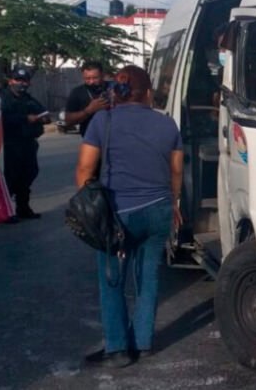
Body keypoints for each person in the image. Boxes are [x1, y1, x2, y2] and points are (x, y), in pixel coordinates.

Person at [75, 65, 183, 368]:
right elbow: (176, 171)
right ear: (148, 93)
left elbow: (84, 169)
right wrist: (174, 203)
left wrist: (90, 209)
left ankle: (118, 349)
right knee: (148, 277)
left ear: (117, 93)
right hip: (159, 210)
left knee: (113, 280)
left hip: (117, 212)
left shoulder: (103, 120)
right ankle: (143, 342)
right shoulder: (168, 124)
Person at [0, 66, 51, 221]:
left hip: (28, 142)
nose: (21, 83)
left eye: (24, 81)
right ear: (11, 81)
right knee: (10, 177)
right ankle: (6, 212)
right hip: (10, 143)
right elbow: (2, 119)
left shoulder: (28, 98)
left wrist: (43, 118)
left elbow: (43, 112)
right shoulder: (2, 98)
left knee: (29, 173)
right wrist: (25, 119)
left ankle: (23, 208)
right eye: (18, 80)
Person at [65, 61, 110, 138]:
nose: (91, 82)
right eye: (87, 78)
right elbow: (68, 121)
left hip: (115, 136)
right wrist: (89, 110)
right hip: (91, 138)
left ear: (103, 75)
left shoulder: (113, 87)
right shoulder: (77, 92)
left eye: (95, 78)